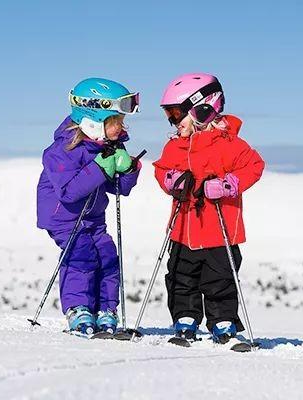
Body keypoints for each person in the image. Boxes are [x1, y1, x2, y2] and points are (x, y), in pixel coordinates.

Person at [153, 72, 265, 344]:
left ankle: (222, 321)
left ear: (202, 109)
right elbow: (161, 169)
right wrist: (171, 181)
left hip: (220, 231)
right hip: (183, 229)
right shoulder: (175, 146)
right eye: (169, 114)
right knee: (180, 274)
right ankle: (185, 318)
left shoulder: (231, 145)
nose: (173, 120)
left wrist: (228, 184)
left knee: (220, 277)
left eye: (177, 113)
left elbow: (254, 166)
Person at [36, 77, 141, 334]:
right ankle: (78, 309)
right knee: (81, 254)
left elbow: (120, 190)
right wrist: (99, 168)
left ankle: (106, 309)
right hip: (64, 218)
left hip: (93, 217)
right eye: (114, 121)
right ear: (92, 120)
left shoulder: (107, 146)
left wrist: (128, 169)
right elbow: (70, 192)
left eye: (121, 121)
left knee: (106, 254)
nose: (120, 127)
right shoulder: (60, 151)